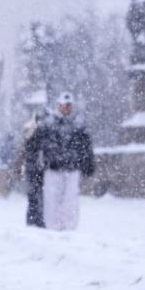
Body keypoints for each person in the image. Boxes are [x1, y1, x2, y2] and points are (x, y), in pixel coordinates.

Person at [32, 92, 95, 231]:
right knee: (51, 199)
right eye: (64, 105)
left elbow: (86, 147)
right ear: (58, 105)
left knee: (70, 200)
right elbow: (37, 146)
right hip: (53, 168)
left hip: (72, 168)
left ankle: (69, 226)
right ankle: (52, 226)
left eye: (69, 105)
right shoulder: (48, 125)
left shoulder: (78, 126)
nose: (66, 108)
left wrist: (88, 165)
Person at [12, 109, 47, 227]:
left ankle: (35, 219)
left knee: (36, 195)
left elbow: (21, 151)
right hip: (35, 168)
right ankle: (36, 220)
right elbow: (21, 151)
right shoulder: (31, 131)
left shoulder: (31, 131)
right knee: (36, 195)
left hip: (36, 168)